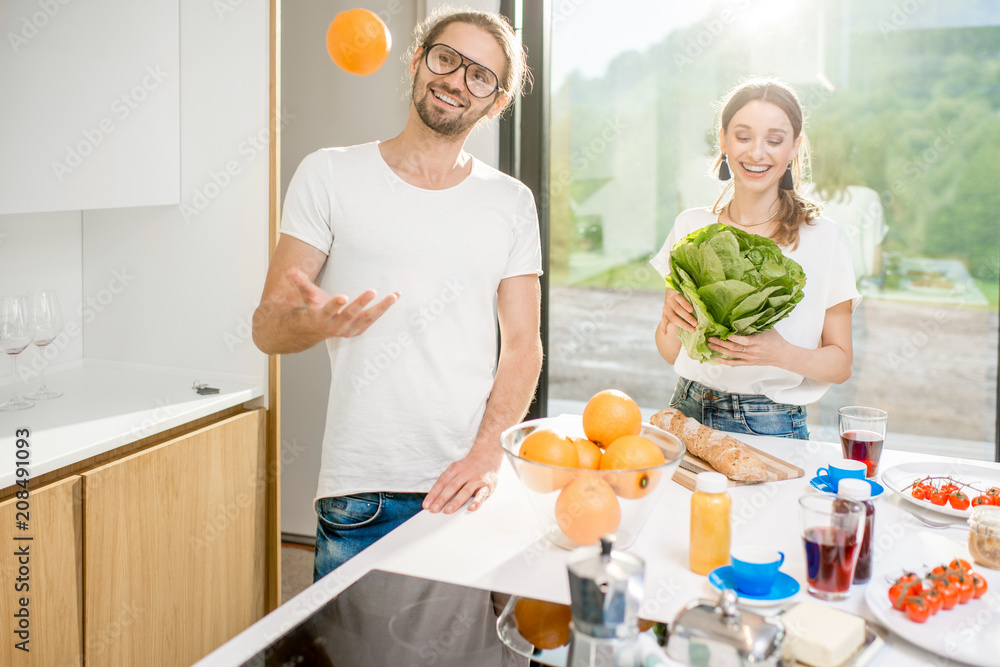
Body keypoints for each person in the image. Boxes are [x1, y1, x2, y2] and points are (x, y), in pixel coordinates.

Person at [252, 9, 543, 580]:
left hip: (469, 489)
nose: (458, 80)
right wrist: (319, 322)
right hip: (364, 494)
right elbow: (268, 327)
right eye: (446, 59)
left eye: (480, 76)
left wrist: (486, 457)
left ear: (497, 101)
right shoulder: (329, 174)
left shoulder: (511, 202)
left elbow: (522, 346)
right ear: (417, 60)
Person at [651, 78, 860, 440]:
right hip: (683, 409)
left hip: (771, 424)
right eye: (743, 137)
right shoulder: (691, 226)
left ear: (795, 147)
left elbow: (841, 363)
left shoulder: (823, 238)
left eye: (774, 140)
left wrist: (778, 353)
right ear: (723, 140)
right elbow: (670, 351)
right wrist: (674, 319)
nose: (757, 153)